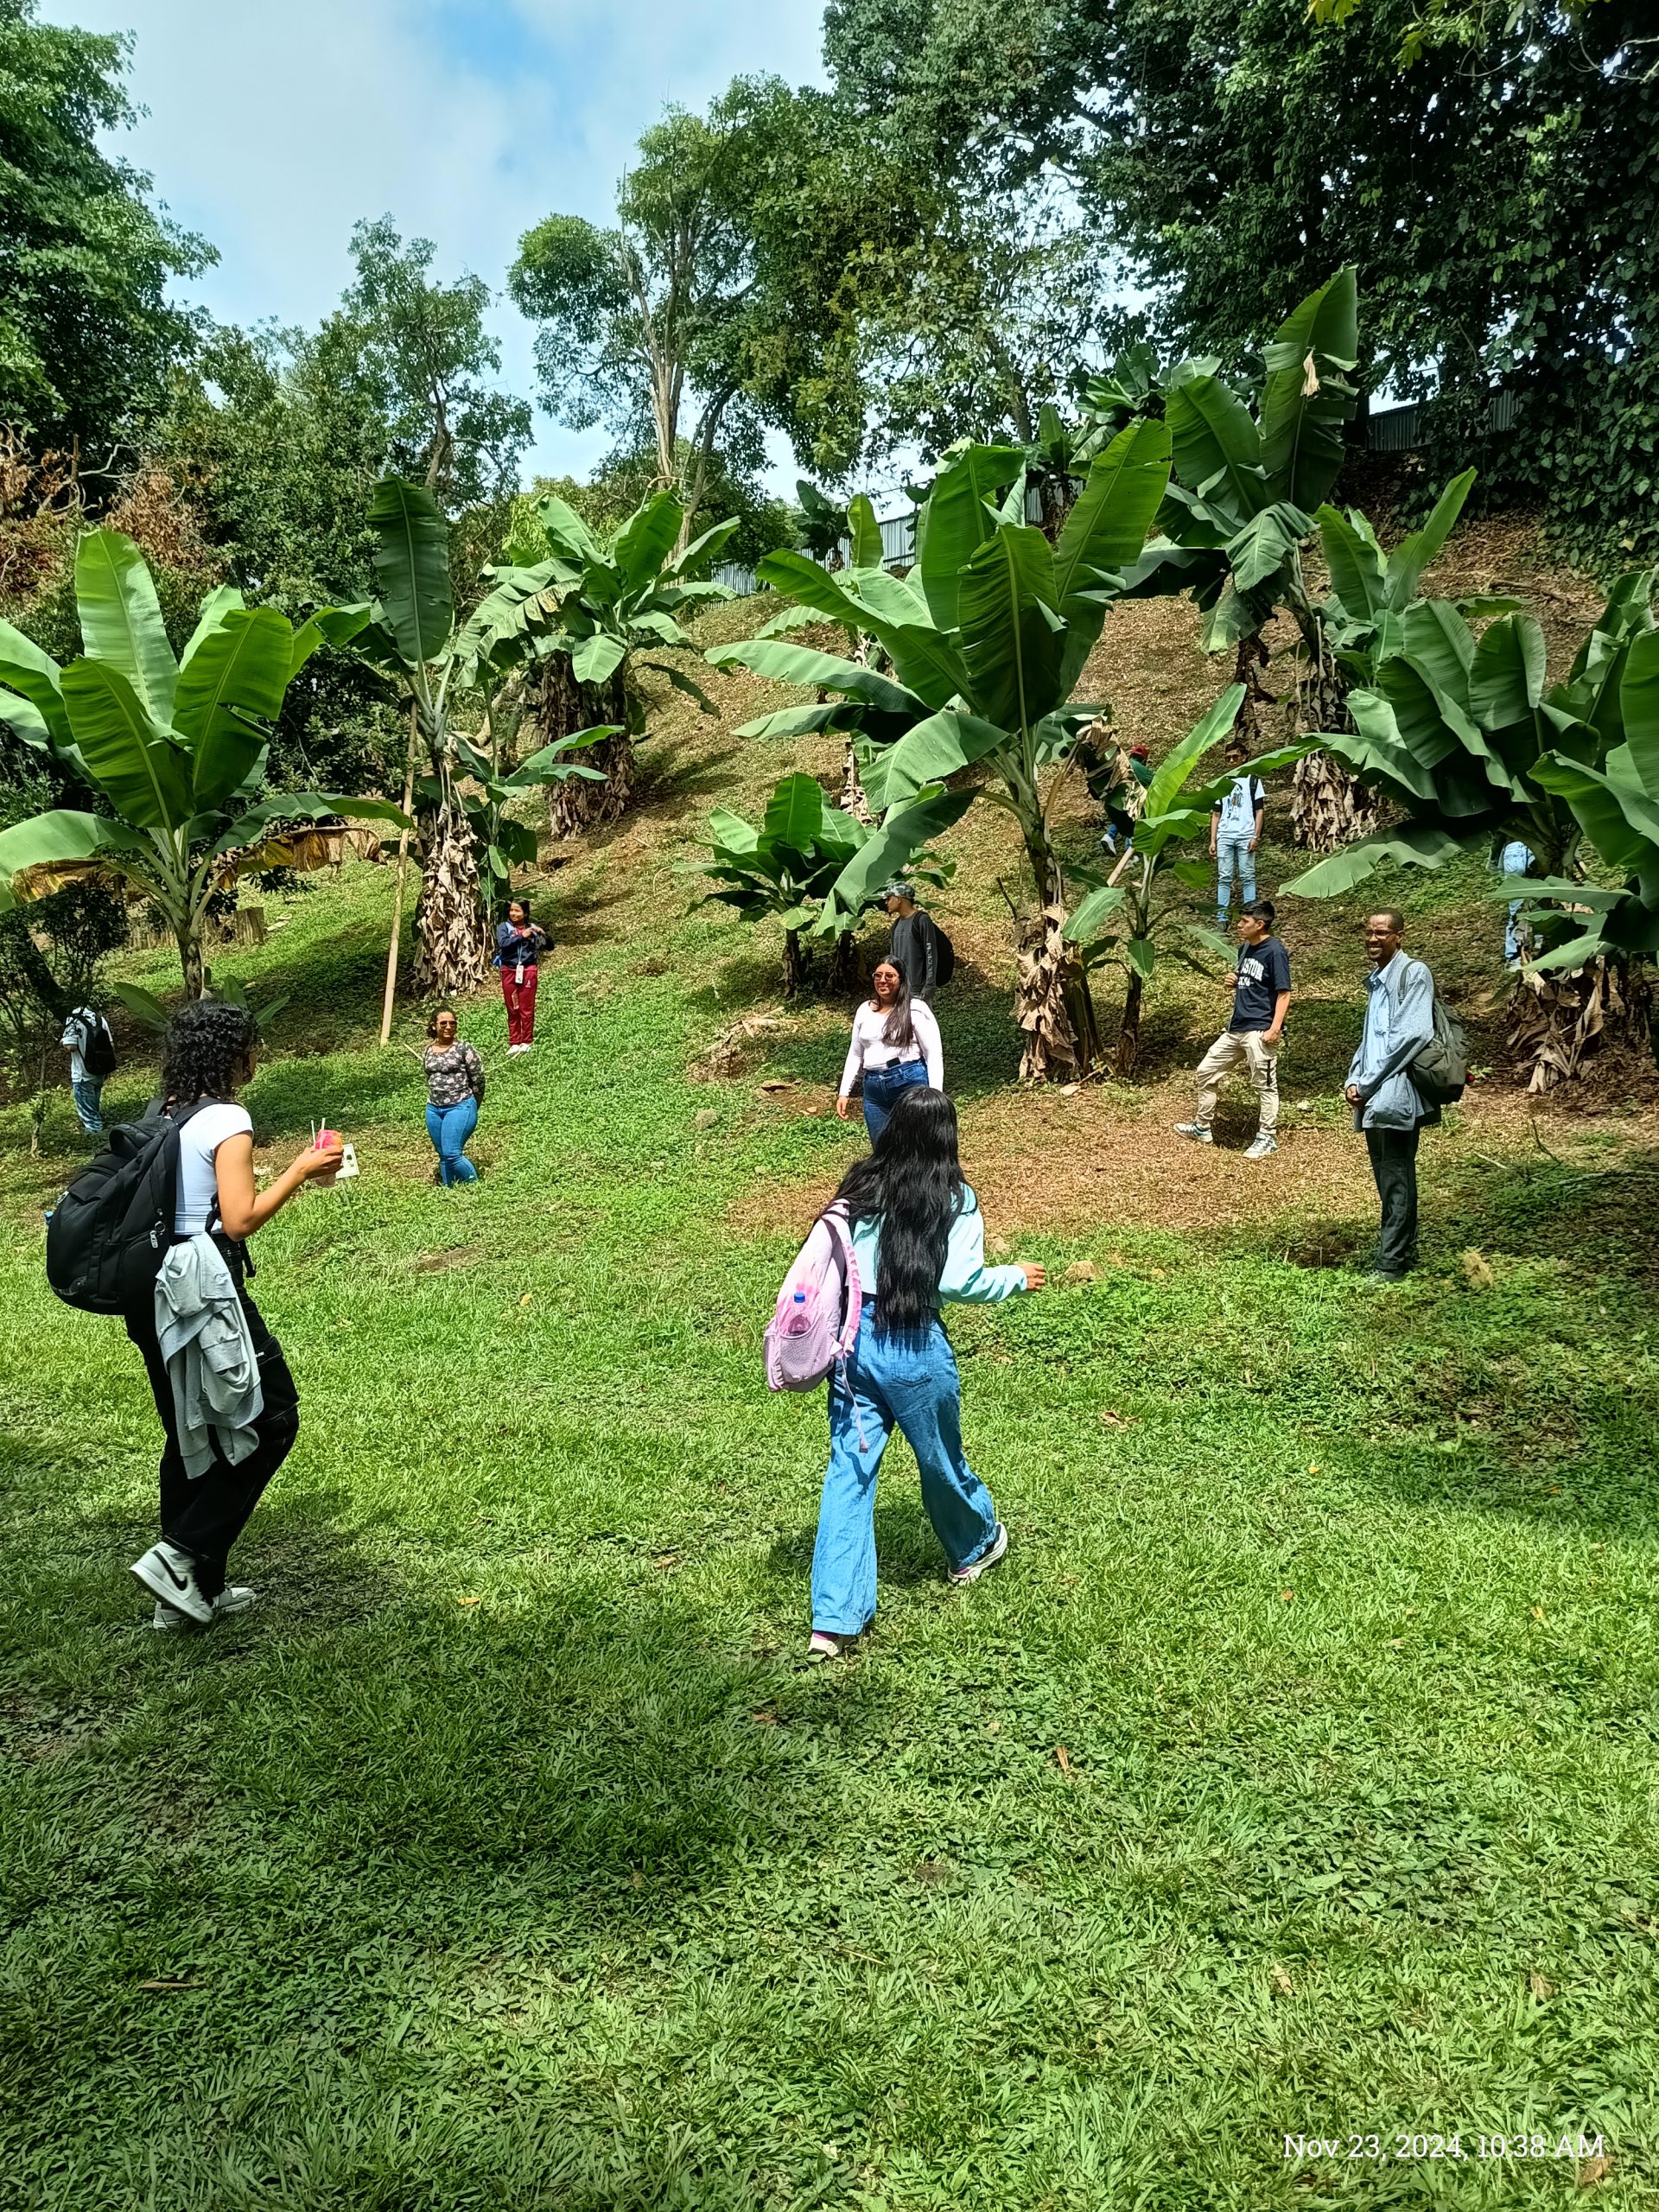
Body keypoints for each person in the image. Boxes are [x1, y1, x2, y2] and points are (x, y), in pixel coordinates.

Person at [807, 1085, 1045, 1659]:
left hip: (853, 1346)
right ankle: (974, 1546)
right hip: (914, 1345)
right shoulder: (954, 1197)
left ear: (890, 1131)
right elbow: (958, 1281)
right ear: (947, 1138)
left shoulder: (860, 1186)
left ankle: (832, 1622)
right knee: (939, 1459)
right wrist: (1015, 1276)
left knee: (849, 1474)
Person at [125, 999, 341, 1630]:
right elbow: (240, 1217)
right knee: (270, 1417)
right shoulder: (228, 1118)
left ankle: (192, 1595)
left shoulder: (165, 1113)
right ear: (233, 1054)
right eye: (253, 1045)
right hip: (202, 1286)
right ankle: (181, 1555)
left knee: (189, 1430)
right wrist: (301, 1168)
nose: (257, 1057)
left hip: (151, 1288)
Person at [1344, 910, 1440, 1281]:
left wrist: (1366, 1082)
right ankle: (1401, 1250)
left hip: (1395, 1092)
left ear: (1399, 936)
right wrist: (1355, 1077)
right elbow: (1371, 1039)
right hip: (1373, 1093)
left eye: (1381, 933)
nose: (1372, 939)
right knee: (1386, 1177)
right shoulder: (1376, 980)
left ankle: (1391, 1264)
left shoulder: (1414, 973)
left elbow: (1412, 1035)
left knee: (1396, 1175)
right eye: (1368, 932)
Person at [1174, 899, 1292, 1159]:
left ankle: (1267, 1138)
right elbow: (1250, 980)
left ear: (1260, 924)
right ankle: (1202, 1127)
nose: (1238, 925)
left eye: (1244, 922)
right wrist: (1234, 980)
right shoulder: (1244, 949)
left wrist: (1274, 1029)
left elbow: (1284, 994)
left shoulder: (1275, 951)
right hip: (1236, 1028)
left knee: (1265, 1086)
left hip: (1260, 1029)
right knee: (1206, 1071)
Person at [836, 959, 943, 1142]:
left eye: (889, 976)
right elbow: (855, 1054)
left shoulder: (914, 1008)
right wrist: (844, 1092)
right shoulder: (864, 1010)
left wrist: (935, 1096)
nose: (882, 980)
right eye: (878, 975)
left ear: (901, 980)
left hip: (909, 1082)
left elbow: (933, 1053)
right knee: (882, 1151)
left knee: (914, 1148)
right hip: (874, 1089)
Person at [423, 1007, 486, 1185]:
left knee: (452, 1153)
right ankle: (449, 1190)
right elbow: (428, 1077)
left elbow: (478, 1080)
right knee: (443, 1154)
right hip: (434, 1109)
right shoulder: (428, 1050)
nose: (448, 1026)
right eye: (443, 1023)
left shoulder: (464, 1049)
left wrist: (473, 1104)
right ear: (434, 1026)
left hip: (460, 1105)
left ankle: (476, 1188)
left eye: (453, 1023)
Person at [1212, 739, 1266, 928]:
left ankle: (1249, 916)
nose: (1232, 761)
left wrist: (1255, 836)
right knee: (1224, 877)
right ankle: (1222, 917)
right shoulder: (1222, 783)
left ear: (1244, 758)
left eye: (1236, 757)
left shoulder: (1253, 782)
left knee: (1247, 876)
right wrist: (1213, 840)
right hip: (1225, 835)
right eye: (1228, 758)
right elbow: (1216, 813)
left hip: (1246, 835)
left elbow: (1259, 811)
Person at [494, 897, 547, 1054]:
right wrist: (521, 936)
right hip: (509, 970)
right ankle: (514, 1042)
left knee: (526, 1007)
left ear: (525, 913)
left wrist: (542, 934)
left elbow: (549, 946)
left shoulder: (531, 928)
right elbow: (503, 944)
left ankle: (527, 1041)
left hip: (528, 970)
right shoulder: (504, 927)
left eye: (518, 911)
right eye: (512, 910)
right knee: (512, 1007)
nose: (514, 914)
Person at [882, 880, 947, 999]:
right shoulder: (896, 925)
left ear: (899, 899)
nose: (886, 903)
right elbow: (893, 958)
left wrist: (929, 986)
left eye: (889, 898)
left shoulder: (921, 920)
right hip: (900, 991)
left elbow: (931, 954)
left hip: (918, 991)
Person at [60, 1002, 112, 1133]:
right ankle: (100, 1134)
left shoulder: (72, 1021)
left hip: (82, 1074)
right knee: (94, 1108)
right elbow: (111, 1044)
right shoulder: (99, 1019)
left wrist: (63, 1042)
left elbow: (71, 1047)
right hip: (100, 1071)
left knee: (90, 1117)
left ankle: (97, 1139)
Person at [1498, 838, 1535, 966]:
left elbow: (1498, 838)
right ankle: (1539, 949)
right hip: (1538, 847)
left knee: (1516, 910)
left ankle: (1514, 958)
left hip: (1511, 848)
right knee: (1540, 905)